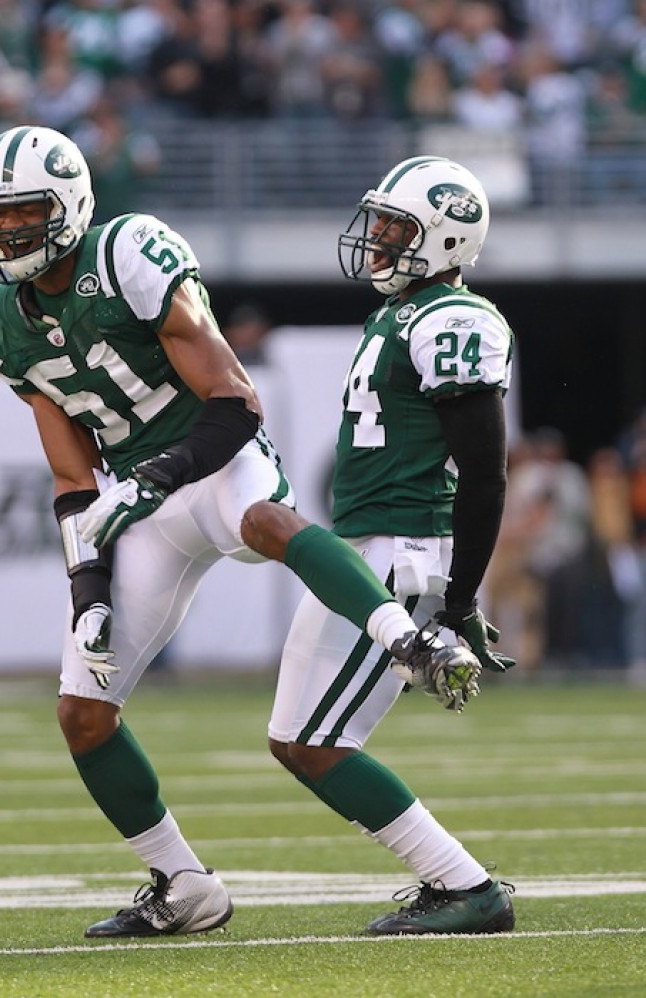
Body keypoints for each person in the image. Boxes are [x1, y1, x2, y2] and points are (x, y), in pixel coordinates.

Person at [0, 126, 483, 940]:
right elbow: (72, 480)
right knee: (82, 714)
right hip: (138, 507)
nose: (6, 233)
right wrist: (87, 589)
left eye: (22, 211)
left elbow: (237, 400)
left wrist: (156, 475)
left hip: (210, 459)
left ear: (67, 206)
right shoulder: (0, 326)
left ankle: (403, 638)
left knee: (265, 521)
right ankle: (184, 883)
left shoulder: (129, 253)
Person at [267, 154, 517, 935]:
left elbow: (484, 473)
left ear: (445, 241)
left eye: (397, 229)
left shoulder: (455, 319)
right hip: (369, 545)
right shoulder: (403, 313)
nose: (378, 241)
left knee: (315, 743)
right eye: (379, 223)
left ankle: (467, 888)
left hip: (401, 550)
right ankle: (460, 885)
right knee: (297, 740)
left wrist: (460, 597)